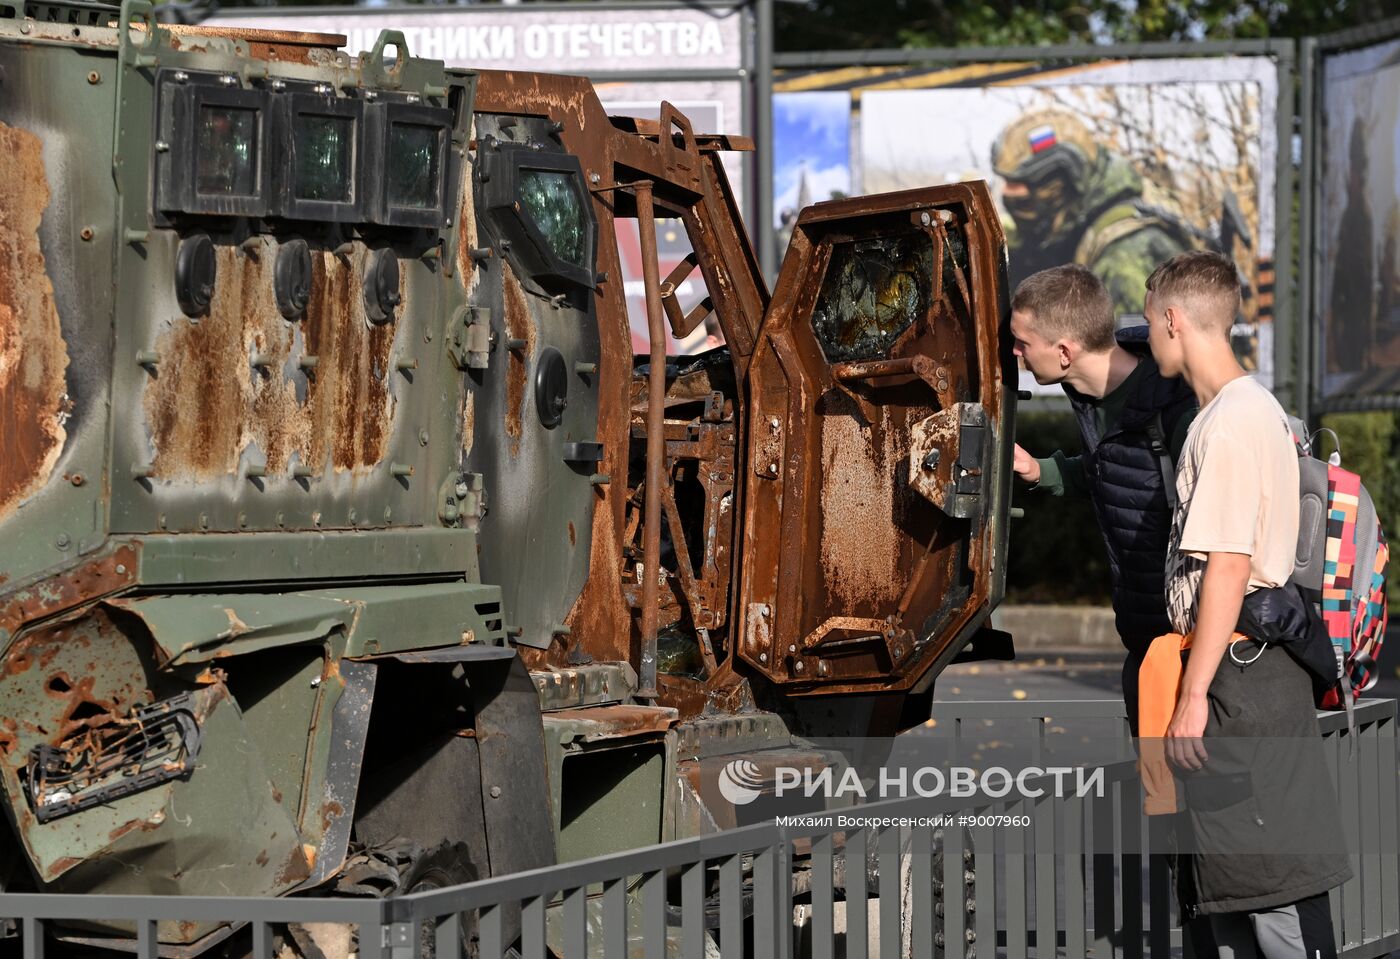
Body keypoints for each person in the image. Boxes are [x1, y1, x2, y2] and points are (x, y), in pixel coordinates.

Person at [1144, 251, 1350, 955]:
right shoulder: (1244, 409)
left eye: (1151, 323)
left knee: (1274, 895)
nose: (1152, 338)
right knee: (1242, 893)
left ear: (1174, 320)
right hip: (1248, 670)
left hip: (1241, 678)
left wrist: (1194, 693)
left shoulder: (1229, 421)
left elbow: (1228, 565)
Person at [1009, 264, 1196, 732]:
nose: (1014, 353)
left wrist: (1197, 677)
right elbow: (1116, 472)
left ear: (1065, 352)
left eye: (1022, 343)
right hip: (1146, 644)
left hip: (1192, 654)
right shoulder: (1093, 397)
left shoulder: (1176, 406)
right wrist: (1041, 471)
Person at [991, 110, 1198, 316]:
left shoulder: (1126, 255)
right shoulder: (1064, 236)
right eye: (1006, 182)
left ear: (1066, 182)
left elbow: (1139, 346)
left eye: (1020, 185)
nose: (1007, 193)